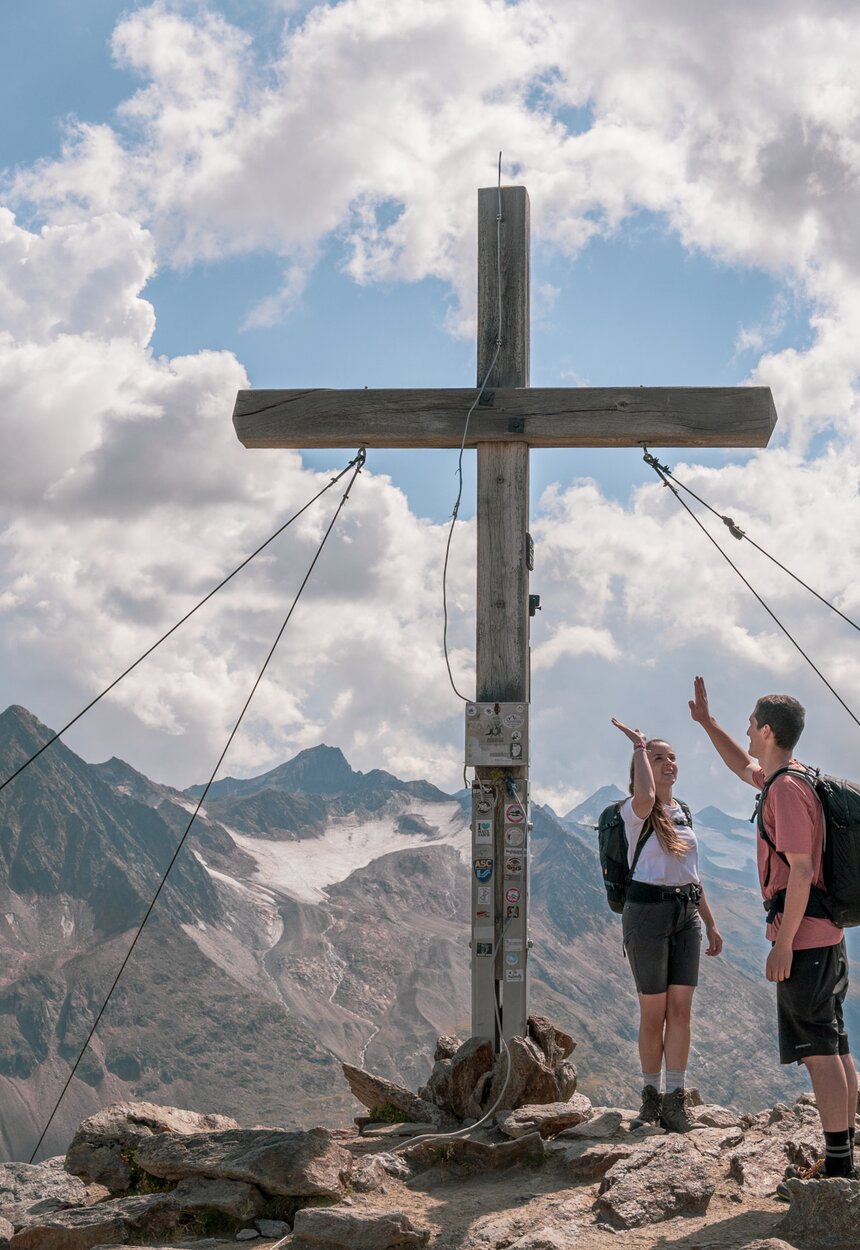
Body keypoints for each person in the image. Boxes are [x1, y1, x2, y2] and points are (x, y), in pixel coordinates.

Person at [689, 677, 857, 1180]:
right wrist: (706, 723)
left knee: (819, 1050)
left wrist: (782, 945)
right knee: (836, 1042)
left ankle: (838, 1167)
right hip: (827, 935)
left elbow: (801, 869)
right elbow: (743, 766)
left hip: (803, 938)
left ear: (765, 729)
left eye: (747, 725)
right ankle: (842, 1152)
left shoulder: (785, 790)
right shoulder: (794, 777)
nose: (744, 732)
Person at [611, 718, 723, 1132]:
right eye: (659, 758)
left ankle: (675, 1102)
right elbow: (645, 792)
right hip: (646, 916)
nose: (668, 763)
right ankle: (650, 1100)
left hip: (685, 916)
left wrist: (710, 924)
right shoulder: (636, 811)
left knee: (681, 1011)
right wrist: (639, 747)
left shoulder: (683, 813)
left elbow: (693, 876)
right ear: (642, 764)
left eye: (672, 757)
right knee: (653, 1012)